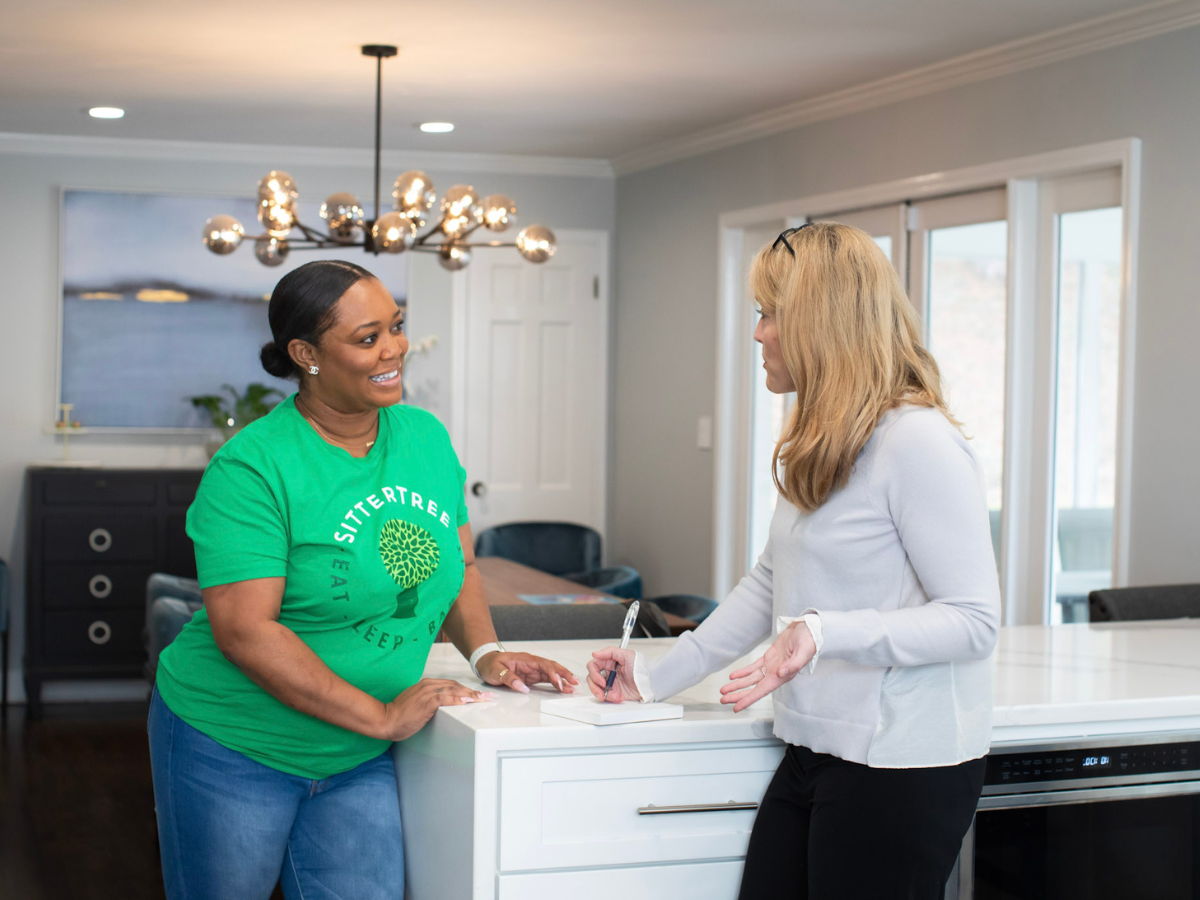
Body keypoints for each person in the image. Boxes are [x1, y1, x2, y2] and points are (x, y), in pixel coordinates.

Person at [588, 223, 1000, 899]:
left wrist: (824, 629)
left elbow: (974, 620)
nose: (757, 333)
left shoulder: (917, 443)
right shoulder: (827, 438)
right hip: (813, 748)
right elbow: (768, 584)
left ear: (817, 324)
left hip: (898, 764)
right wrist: (657, 681)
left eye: (768, 314)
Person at [149, 259, 578, 900]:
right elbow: (245, 632)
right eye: (368, 337)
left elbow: (455, 569)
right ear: (306, 354)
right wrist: (380, 717)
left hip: (354, 755)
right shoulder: (252, 468)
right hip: (234, 745)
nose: (394, 349)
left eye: (396, 327)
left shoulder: (424, 437)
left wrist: (488, 653)